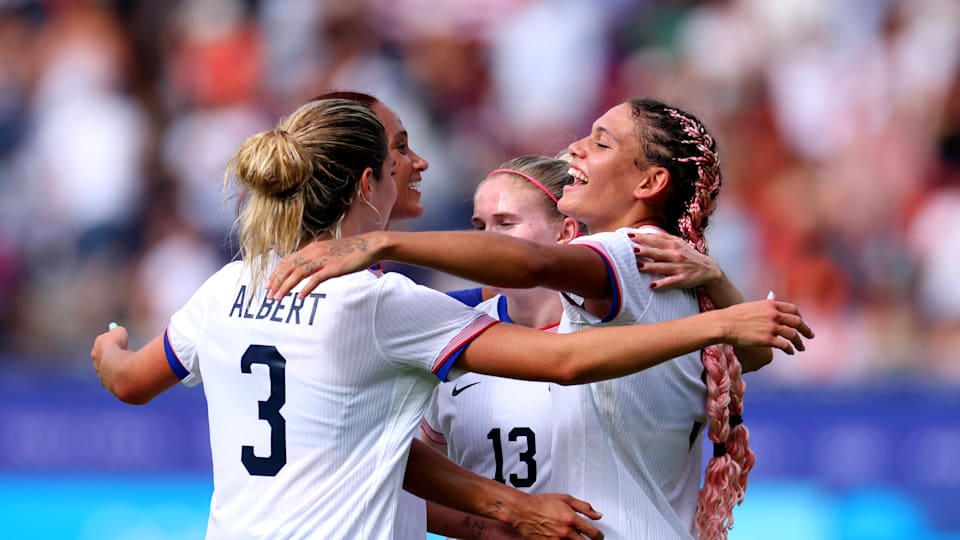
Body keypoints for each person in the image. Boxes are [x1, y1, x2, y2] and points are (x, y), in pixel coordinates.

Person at [92, 98, 811, 540]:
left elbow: (129, 381)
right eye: (400, 150)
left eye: (504, 223)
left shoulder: (224, 289)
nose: (419, 163)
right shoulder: (394, 310)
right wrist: (508, 511)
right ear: (369, 181)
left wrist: (111, 346)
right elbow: (559, 360)